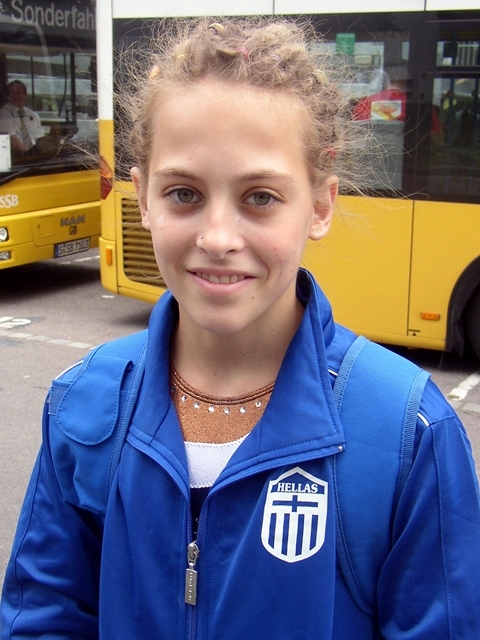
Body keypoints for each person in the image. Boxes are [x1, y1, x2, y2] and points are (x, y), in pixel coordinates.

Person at [1, 18, 480, 639]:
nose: (218, 238)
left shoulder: (407, 432)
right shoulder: (83, 407)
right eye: (183, 194)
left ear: (321, 204)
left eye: (260, 197)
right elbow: (44, 616)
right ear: (141, 197)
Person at [0, 80, 44, 153]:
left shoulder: (33, 115)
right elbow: (11, 139)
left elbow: (40, 137)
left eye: (18, 92)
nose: (15, 96)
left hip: (35, 153)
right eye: (12, 93)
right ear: (8, 96)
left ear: (25, 95)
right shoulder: (4, 114)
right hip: (15, 155)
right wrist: (30, 153)